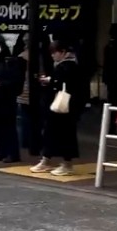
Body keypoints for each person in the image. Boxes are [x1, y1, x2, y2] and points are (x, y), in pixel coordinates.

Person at [33, 39, 87, 176]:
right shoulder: (68, 65)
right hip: (61, 106)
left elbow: (63, 82)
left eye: (54, 52)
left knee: (64, 134)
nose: (52, 55)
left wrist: (50, 81)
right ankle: (47, 160)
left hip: (64, 107)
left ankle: (65, 164)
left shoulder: (67, 66)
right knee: (52, 133)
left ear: (62, 52)